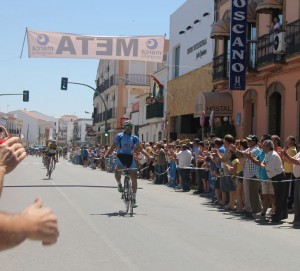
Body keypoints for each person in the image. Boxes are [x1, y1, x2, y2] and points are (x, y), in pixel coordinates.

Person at [0, 137, 59, 250]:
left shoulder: (55, 147)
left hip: (52, 155)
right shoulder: (47, 147)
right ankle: (47, 164)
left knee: (52, 159)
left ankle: (50, 165)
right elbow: (45, 153)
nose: (52, 143)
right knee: (47, 158)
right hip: (47, 155)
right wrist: (27, 224)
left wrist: (1, 168)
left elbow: (55, 154)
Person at [104, 120, 150, 208]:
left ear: (132, 128)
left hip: (129, 157)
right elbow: (113, 147)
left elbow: (140, 149)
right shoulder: (119, 136)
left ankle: (134, 199)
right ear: (124, 128)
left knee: (134, 177)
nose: (128, 129)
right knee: (117, 170)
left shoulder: (134, 137)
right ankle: (119, 184)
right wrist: (106, 154)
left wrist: (148, 156)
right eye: (126, 127)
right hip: (120, 156)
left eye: (130, 127)